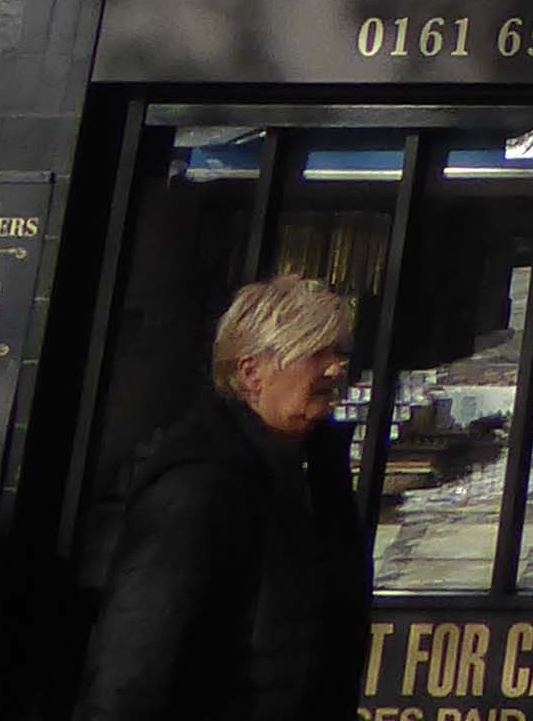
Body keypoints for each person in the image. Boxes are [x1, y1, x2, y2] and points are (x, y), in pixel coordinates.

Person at [73, 272, 365, 721]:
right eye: (316, 354)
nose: (336, 369)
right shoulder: (201, 486)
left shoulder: (312, 475)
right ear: (251, 373)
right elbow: (135, 658)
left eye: (339, 353)